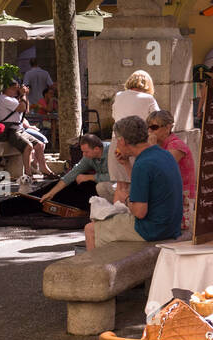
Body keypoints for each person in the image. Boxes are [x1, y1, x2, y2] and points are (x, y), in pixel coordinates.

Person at [83, 115, 183, 250]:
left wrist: (126, 200)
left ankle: (95, 270)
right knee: (108, 220)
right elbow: (143, 183)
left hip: (153, 229)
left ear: (123, 141)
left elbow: (139, 212)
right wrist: (126, 165)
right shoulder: (163, 154)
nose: (116, 145)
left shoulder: (142, 164)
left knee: (91, 229)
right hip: (171, 225)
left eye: (117, 141)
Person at [110, 70, 157, 199]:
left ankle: (119, 217)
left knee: (121, 186)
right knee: (139, 184)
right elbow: (157, 119)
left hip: (117, 142)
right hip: (137, 145)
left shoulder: (119, 95)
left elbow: (114, 116)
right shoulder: (148, 98)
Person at [0, 79, 55, 179]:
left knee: (39, 145)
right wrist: (22, 95)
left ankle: (44, 169)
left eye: (17, 89)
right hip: (10, 131)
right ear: (6, 89)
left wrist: (24, 95)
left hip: (19, 129)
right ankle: (28, 174)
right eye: (14, 89)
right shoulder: (4, 99)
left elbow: (26, 109)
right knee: (28, 146)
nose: (16, 91)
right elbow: (22, 108)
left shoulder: (13, 98)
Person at [147, 110, 196, 225]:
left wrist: (152, 147)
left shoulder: (176, 145)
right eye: (148, 127)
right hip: (168, 196)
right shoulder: (161, 146)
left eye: (154, 127)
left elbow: (161, 169)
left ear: (168, 127)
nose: (149, 131)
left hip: (181, 199)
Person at [42, 133, 114, 204]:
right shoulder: (88, 156)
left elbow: (116, 177)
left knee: (98, 186)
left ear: (97, 149)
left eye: (86, 152)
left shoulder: (112, 152)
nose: (84, 155)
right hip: (103, 183)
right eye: (82, 152)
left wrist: (91, 177)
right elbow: (72, 174)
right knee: (72, 183)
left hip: (117, 186)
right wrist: (51, 193)